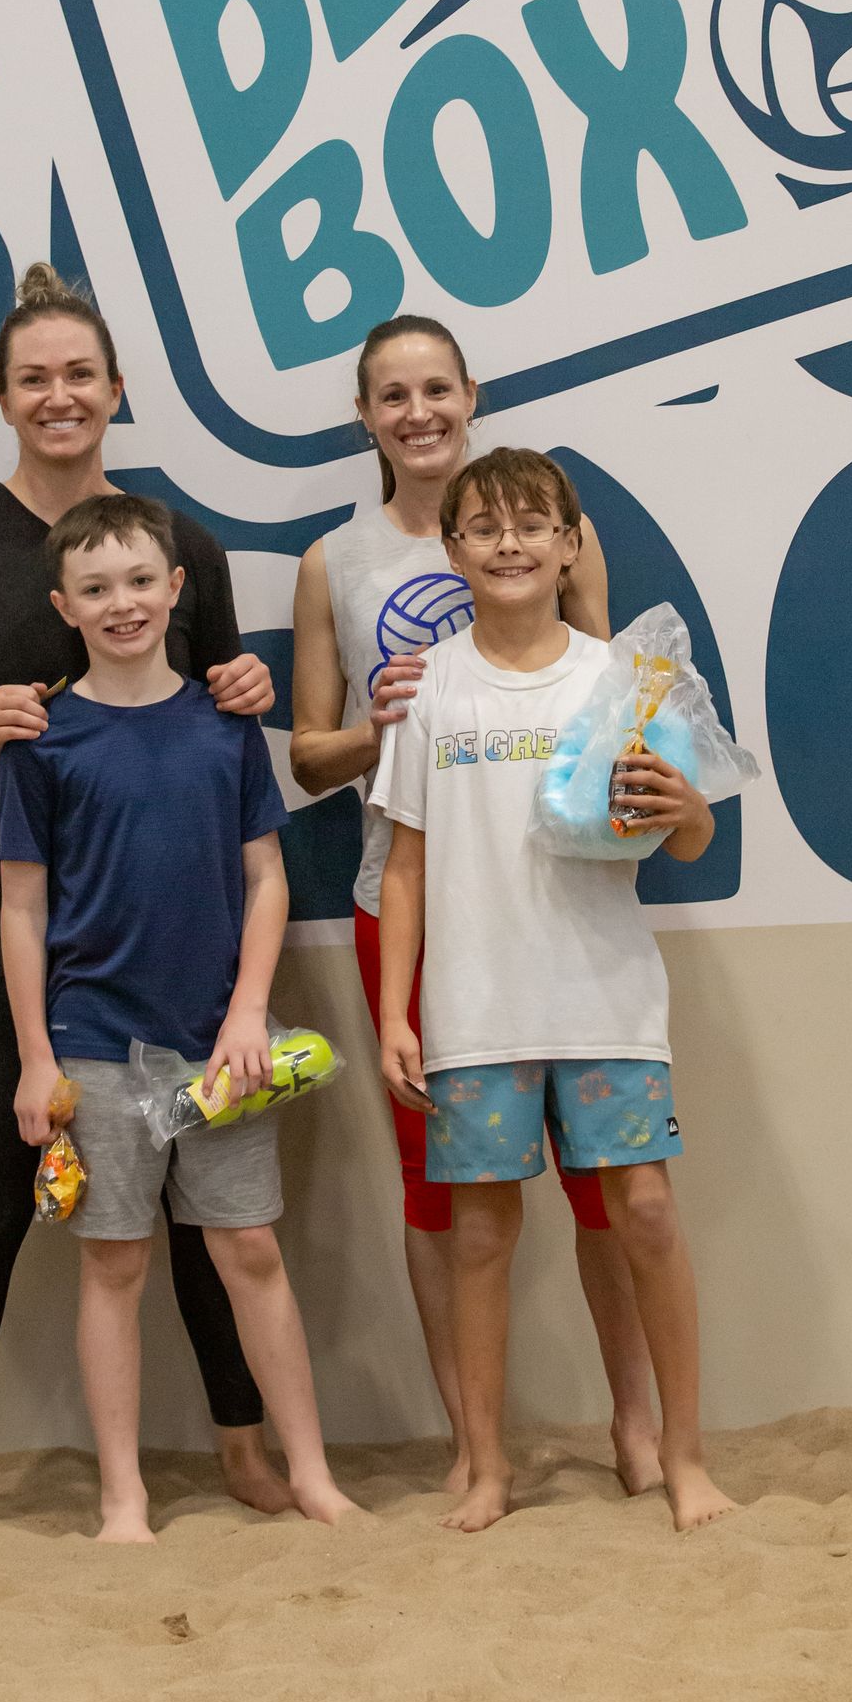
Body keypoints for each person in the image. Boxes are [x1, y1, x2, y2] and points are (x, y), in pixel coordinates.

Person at [0, 264, 288, 1544]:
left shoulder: (177, 542)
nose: (59, 396)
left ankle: (249, 1456)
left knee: (208, 1209)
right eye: (33, 378)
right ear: (3, 398)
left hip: (191, 952)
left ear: (116, 392)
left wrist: (255, 686)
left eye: (79, 375)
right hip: (24, 950)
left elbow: (225, 723)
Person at [289, 316, 661, 1495]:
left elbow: (612, 718)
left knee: (607, 1180)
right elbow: (309, 757)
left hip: (554, 896)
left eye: (436, 389)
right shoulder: (332, 563)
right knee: (437, 1185)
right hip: (403, 897)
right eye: (391, 396)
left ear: (470, 395)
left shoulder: (558, 529)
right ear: (365, 418)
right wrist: (378, 725)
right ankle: (471, 1438)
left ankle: (637, 1423)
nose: (417, 413)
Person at [373, 446, 736, 1536]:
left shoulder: (617, 680)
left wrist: (685, 805)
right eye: (484, 529)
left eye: (534, 525)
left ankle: (683, 1456)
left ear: (571, 543)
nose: (510, 544)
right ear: (453, 550)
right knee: (480, 1235)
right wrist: (395, 1010)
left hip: (604, 999)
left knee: (650, 1215)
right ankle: (484, 1467)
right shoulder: (431, 684)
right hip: (475, 1012)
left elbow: (691, 839)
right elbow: (404, 863)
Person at [1, 492, 354, 1540]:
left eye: (141, 582)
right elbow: (21, 909)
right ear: (65, 605)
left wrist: (250, 1012)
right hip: (96, 1045)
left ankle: (315, 1475)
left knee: (250, 1252)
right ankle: (123, 1496)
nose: (123, 604)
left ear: (177, 590)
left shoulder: (227, 724)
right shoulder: (42, 740)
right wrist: (33, 1059)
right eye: (98, 589)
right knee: (114, 1262)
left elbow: (267, 881)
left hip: (222, 1048)